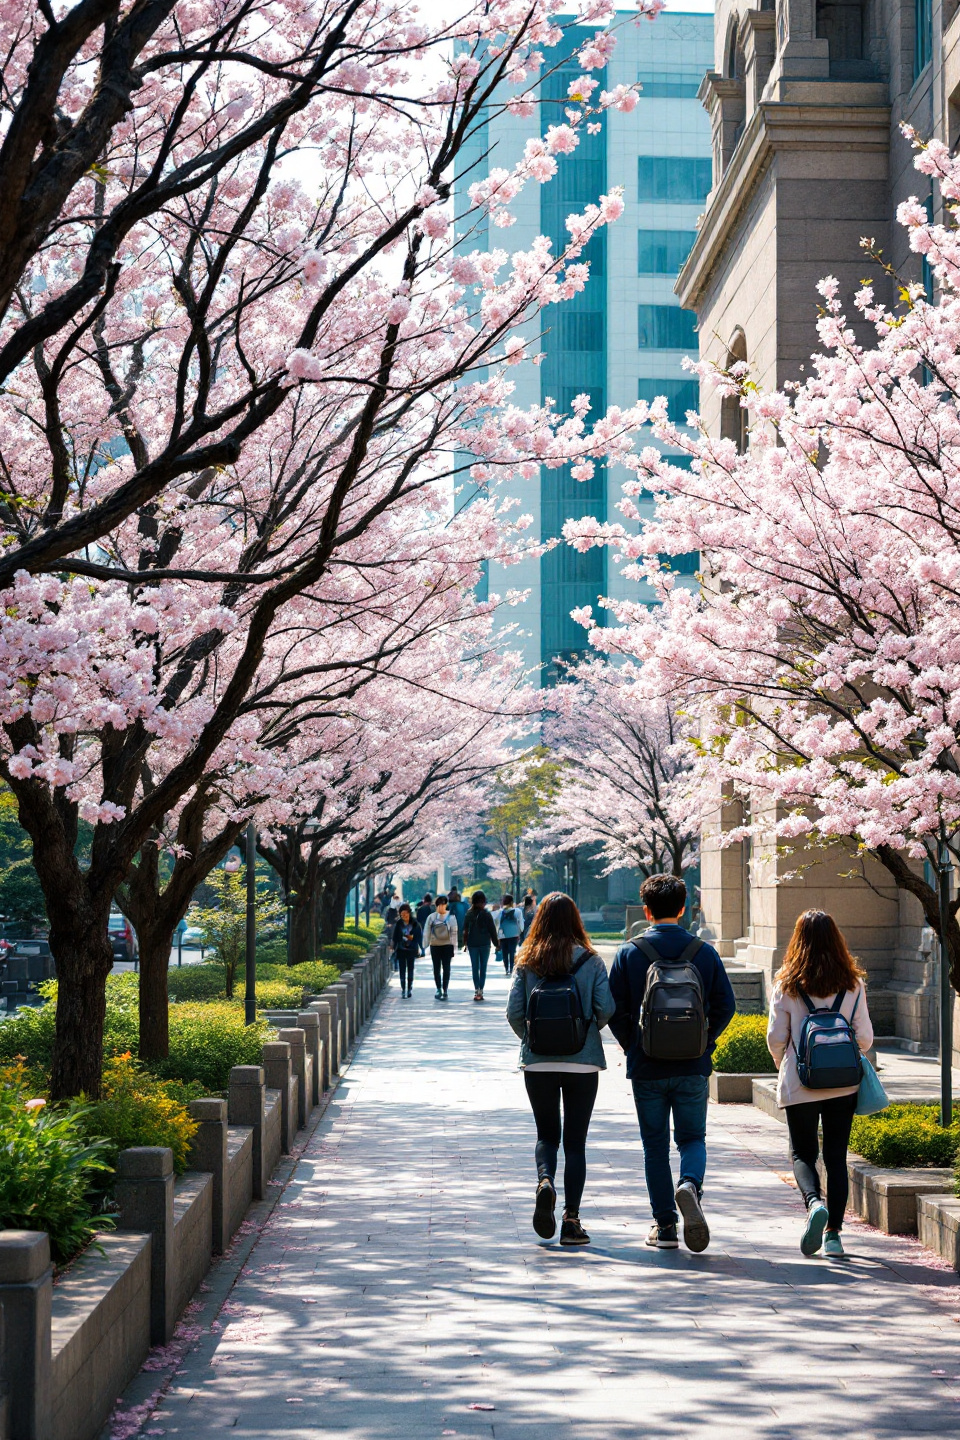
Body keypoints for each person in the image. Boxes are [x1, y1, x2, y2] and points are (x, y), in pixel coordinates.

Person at [608, 873, 736, 1253]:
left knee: (654, 1146)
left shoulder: (630, 952)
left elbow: (613, 1009)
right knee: (692, 1138)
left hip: (646, 1066)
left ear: (646, 911)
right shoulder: (704, 951)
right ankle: (690, 1185)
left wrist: (633, 1043)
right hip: (692, 1066)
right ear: (683, 908)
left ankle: (665, 1227)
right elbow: (725, 1005)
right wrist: (704, 1042)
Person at [507, 892, 615, 1247]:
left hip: (538, 1062)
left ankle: (544, 1181)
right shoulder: (591, 961)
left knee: (546, 1135)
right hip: (582, 1063)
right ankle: (571, 1221)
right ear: (575, 920)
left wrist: (535, 1038)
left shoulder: (526, 959)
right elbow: (606, 1008)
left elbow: (513, 1012)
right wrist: (582, 1033)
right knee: (576, 1142)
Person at [767, 909, 874, 1259]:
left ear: (798, 941)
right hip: (843, 1084)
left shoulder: (786, 982)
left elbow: (775, 1036)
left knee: (802, 1153)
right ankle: (834, 1236)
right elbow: (866, 1039)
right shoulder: (853, 983)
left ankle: (814, 1203)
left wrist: (784, 1065)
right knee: (836, 1156)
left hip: (801, 1082)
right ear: (836, 939)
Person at [462, 890, 499, 1001]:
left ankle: (477, 989)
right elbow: (492, 930)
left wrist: (464, 943)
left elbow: (465, 930)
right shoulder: (487, 914)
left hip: (473, 944)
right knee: (483, 968)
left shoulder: (469, 914)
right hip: (484, 944)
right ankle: (480, 991)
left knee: (475, 967)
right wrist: (496, 944)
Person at [422, 893, 458, 1001]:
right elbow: (427, 932)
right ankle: (440, 988)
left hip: (443, 945)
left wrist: (454, 946)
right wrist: (425, 945)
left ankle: (443, 989)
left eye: (443, 904)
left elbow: (454, 933)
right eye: (440, 905)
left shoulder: (448, 917)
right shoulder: (434, 917)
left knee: (444, 968)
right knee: (439, 968)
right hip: (437, 945)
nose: (441, 907)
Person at [391, 903, 423, 998]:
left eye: (405, 913)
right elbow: (395, 936)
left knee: (410, 969)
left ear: (409, 913)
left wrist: (421, 948)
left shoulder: (415, 923)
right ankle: (403, 989)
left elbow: (419, 937)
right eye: (402, 914)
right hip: (401, 950)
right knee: (402, 970)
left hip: (412, 950)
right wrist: (393, 946)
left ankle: (409, 988)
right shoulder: (399, 923)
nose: (404, 916)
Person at [498, 893, 524, 975]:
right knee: (512, 952)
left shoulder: (500, 912)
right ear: (512, 902)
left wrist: (497, 935)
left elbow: (497, 924)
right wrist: (519, 932)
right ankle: (512, 968)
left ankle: (506, 969)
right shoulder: (517, 911)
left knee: (505, 953)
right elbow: (521, 924)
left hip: (503, 936)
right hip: (514, 935)